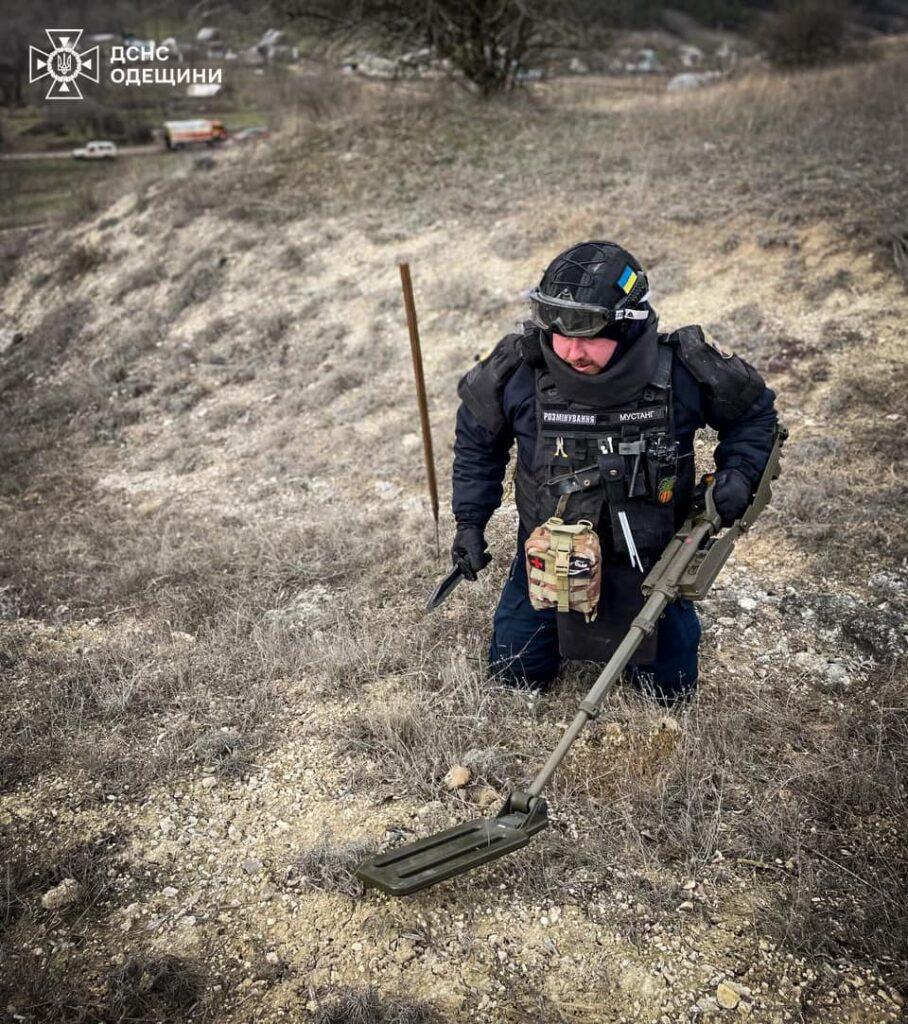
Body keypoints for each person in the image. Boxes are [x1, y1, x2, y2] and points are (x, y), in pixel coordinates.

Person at [450, 240, 778, 703]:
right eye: (559, 333)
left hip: (651, 568)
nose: (570, 350)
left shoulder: (680, 370)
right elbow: (476, 440)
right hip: (548, 564)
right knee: (513, 679)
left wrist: (740, 474)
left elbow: (754, 413)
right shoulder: (519, 372)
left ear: (627, 326)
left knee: (668, 695)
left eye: (588, 335)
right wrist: (469, 521)